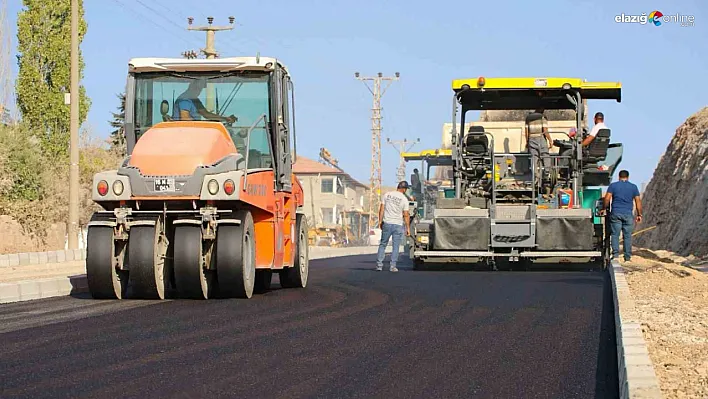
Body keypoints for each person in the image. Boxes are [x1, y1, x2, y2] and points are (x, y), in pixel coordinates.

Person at [602, 170, 643, 262]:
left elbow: (607, 198)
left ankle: (615, 255)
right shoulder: (633, 187)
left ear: (619, 177)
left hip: (616, 213)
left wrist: (604, 208)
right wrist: (639, 214)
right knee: (627, 236)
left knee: (615, 235)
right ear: (628, 177)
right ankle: (627, 257)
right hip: (628, 214)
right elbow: (638, 201)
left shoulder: (613, 186)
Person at [376, 181, 411, 272]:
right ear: (404, 189)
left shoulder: (387, 195)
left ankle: (379, 265)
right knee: (395, 246)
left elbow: (381, 209)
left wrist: (380, 221)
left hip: (387, 223)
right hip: (398, 225)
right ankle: (393, 266)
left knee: (383, 244)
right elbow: (406, 215)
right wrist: (407, 228)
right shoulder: (404, 199)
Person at [172, 79, 237, 124]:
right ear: (191, 85)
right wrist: (204, 125)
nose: (199, 91)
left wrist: (225, 119)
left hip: (193, 131)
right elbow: (185, 119)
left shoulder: (194, 100)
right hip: (184, 133)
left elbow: (206, 114)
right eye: (197, 88)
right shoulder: (185, 99)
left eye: (200, 89)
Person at [525, 108, 553, 173]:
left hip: (531, 138)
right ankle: (547, 172)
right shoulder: (543, 117)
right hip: (540, 137)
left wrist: (527, 142)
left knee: (534, 158)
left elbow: (526, 132)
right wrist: (550, 140)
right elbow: (545, 130)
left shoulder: (528, 118)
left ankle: (535, 176)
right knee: (545, 155)